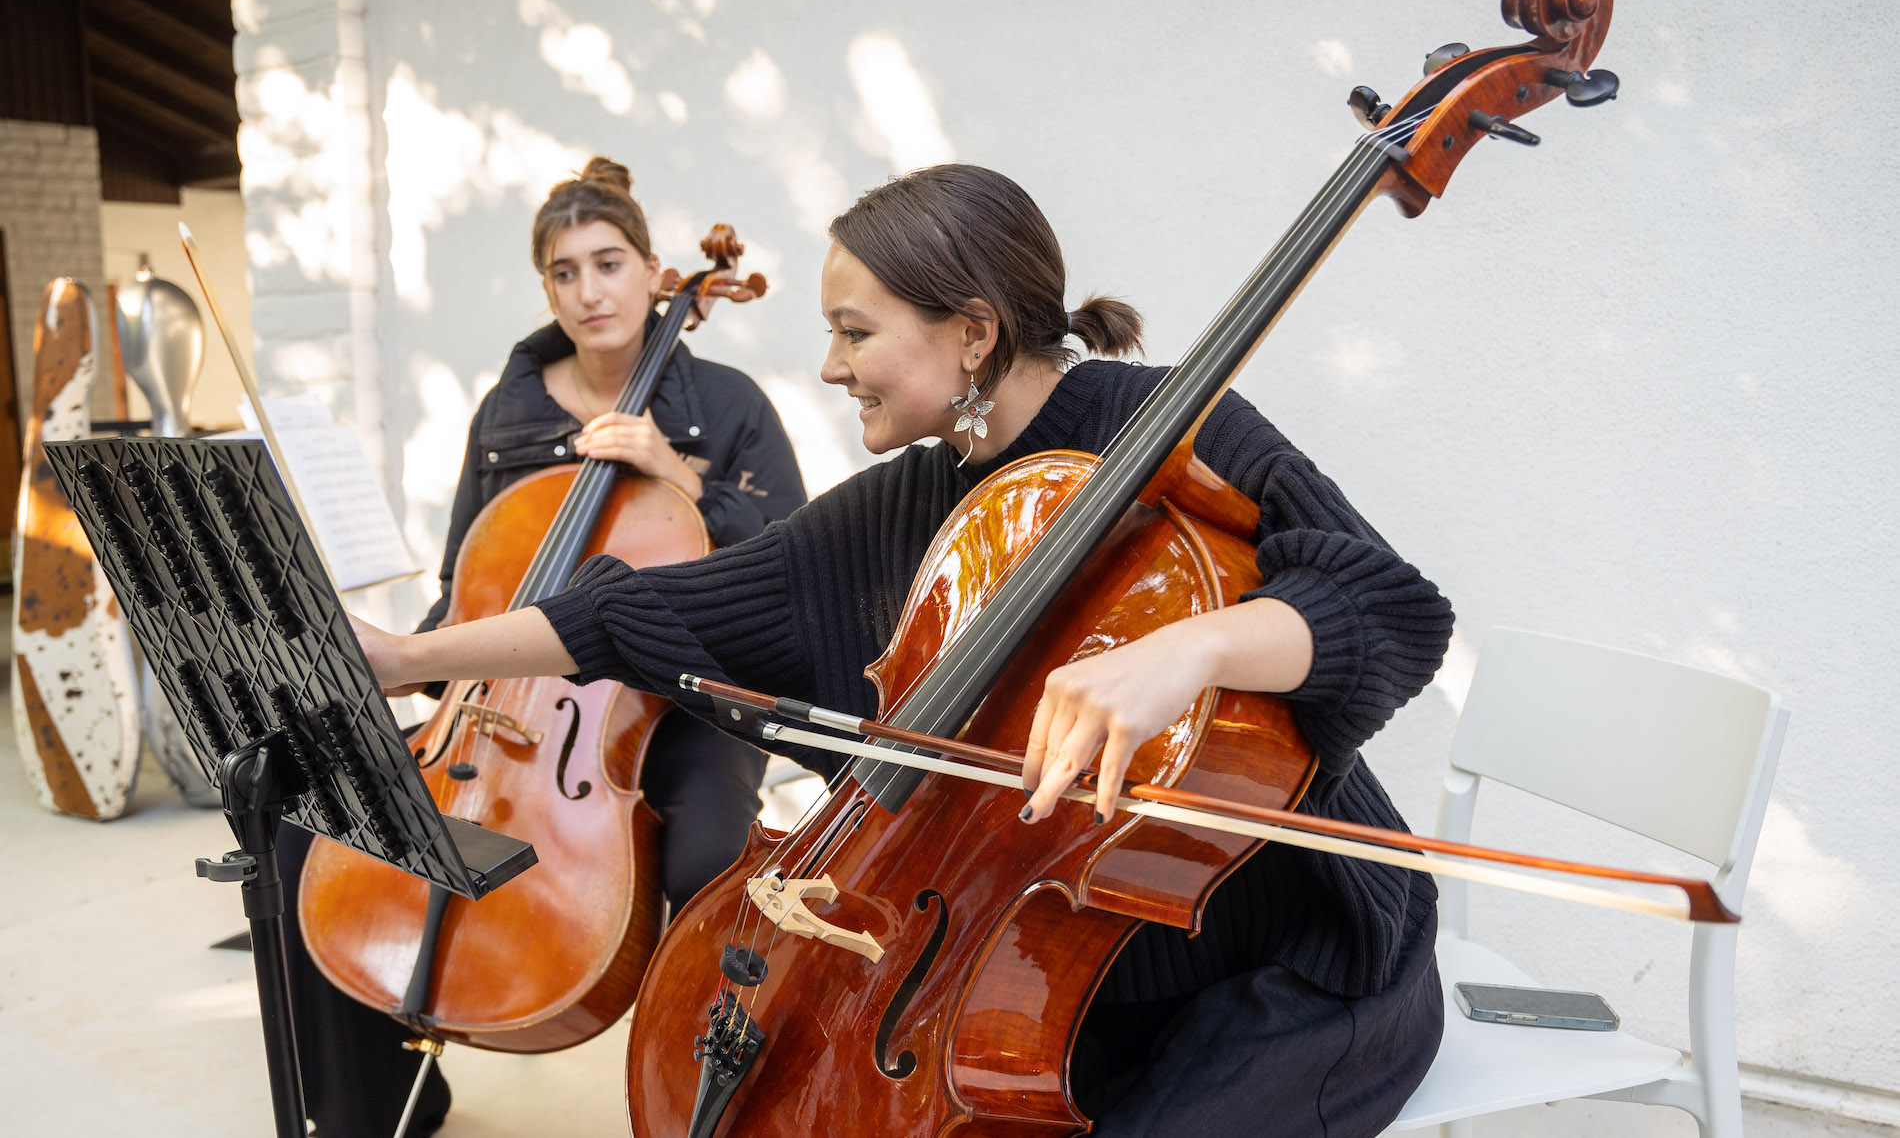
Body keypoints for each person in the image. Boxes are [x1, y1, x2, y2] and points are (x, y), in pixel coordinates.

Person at [352, 162, 1453, 1137]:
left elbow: (1386, 600)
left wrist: (1196, 647)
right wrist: (412, 657)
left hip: (1283, 945)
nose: (831, 365)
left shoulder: (1164, 424)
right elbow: (650, 606)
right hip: (1053, 961)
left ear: (971, 332)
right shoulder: (910, 498)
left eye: (854, 330)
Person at [281, 155, 806, 1137]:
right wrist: (393, 659)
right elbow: (463, 591)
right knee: (316, 822)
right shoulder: (507, 415)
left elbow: (789, 564)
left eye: (608, 263)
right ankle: (374, 1105)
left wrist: (677, 475)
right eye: (563, 272)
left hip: (679, 699)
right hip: (501, 707)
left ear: (656, 272)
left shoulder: (727, 406)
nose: (588, 290)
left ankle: (714, 1108)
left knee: (710, 864)